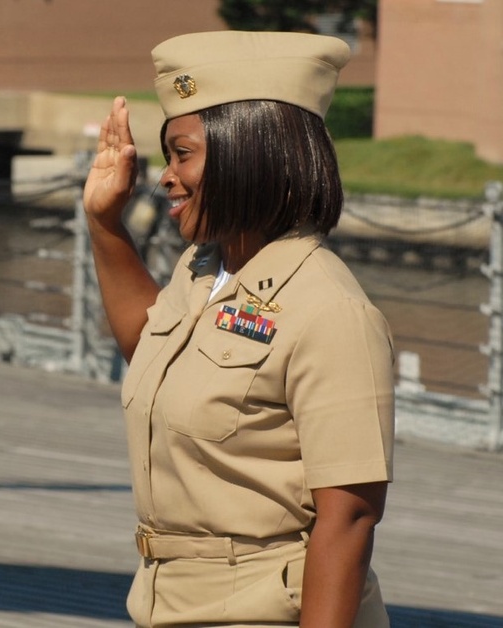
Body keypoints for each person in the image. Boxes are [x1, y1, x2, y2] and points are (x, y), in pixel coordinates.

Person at [83, 31, 394, 627]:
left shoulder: (330, 311)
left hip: (263, 611)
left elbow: (350, 517)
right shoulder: (207, 269)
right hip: (168, 602)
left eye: (184, 154)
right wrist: (105, 225)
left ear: (250, 151)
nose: (166, 177)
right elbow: (155, 357)